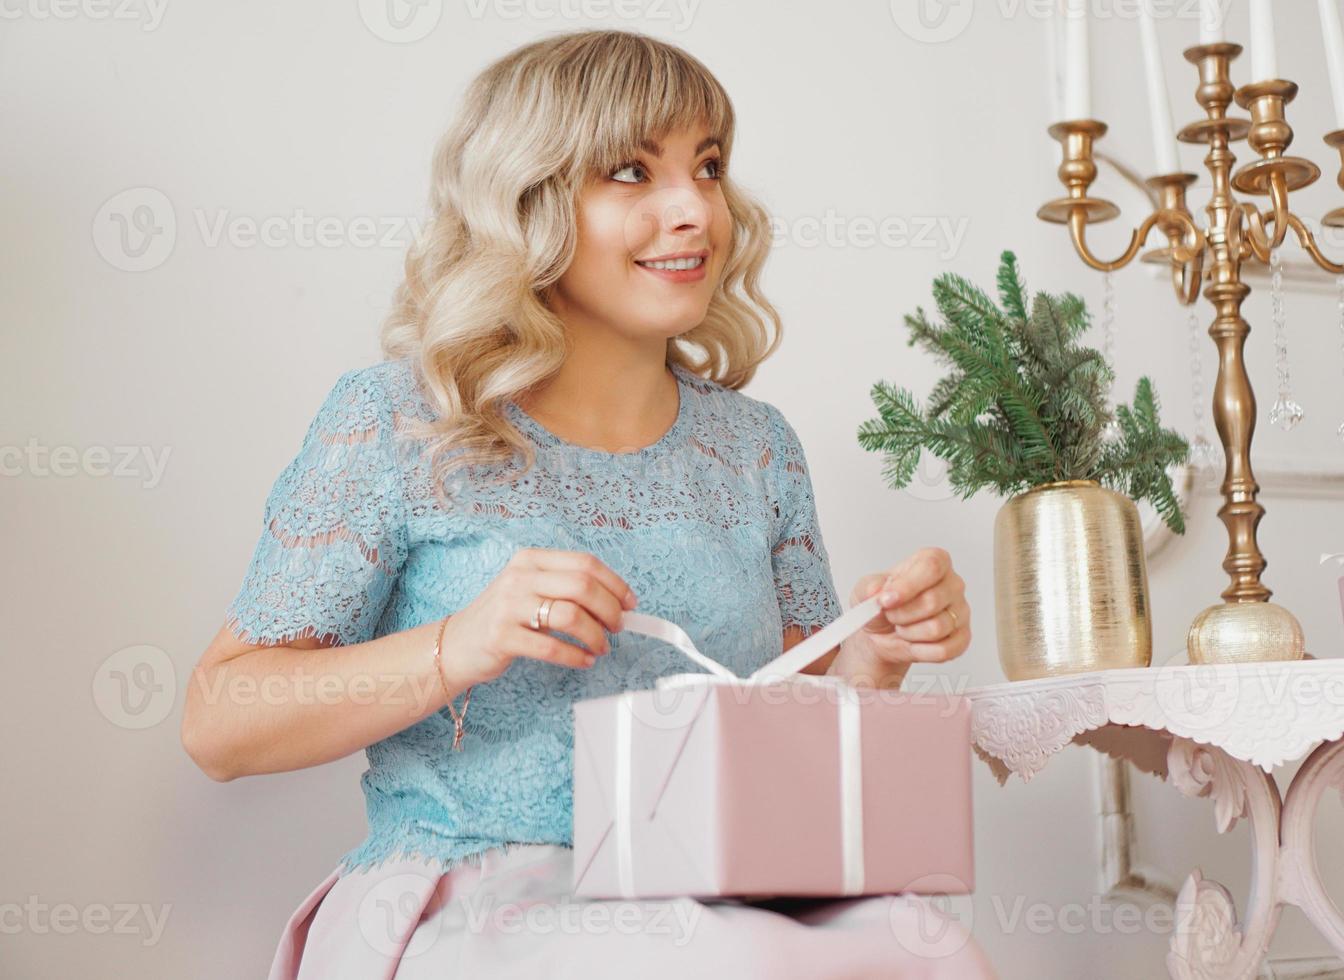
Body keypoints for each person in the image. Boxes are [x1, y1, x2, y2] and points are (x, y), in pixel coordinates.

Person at [181, 28, 994, 978]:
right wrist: (465, 643)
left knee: (929, 950)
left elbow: (786, 741)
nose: (694, 209)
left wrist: (868, 654)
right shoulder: (402, 422)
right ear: (527, 206)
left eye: (709, 166)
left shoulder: (755, 448)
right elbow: (219, 723)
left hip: (719, 898)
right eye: (630, 172)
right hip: (476, 905)